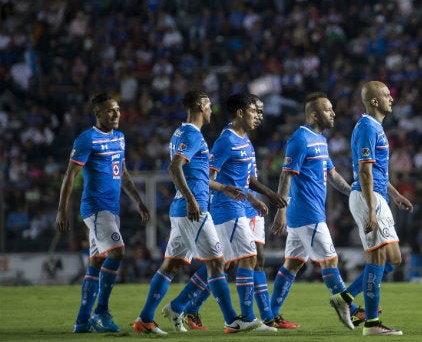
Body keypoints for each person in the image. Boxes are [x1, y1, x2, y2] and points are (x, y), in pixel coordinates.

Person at [132, 90, 265, 335]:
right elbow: (174, 168)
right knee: (218, 262)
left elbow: (199, 175)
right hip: (194, 210)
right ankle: (233, 321)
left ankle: (145, 319)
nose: (211, 110)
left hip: (181, 209)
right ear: (200, 105)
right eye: (209, 105)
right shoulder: (192, 135)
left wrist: (223, 187)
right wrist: (193, 200)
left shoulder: (182, 133)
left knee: (170, 266)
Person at [160, 93, 281, 333]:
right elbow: (209, 177)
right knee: (247, 258)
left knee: (222, 264)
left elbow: (246, 178)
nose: (259, 116)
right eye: (254, 111)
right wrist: (238, 194)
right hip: (227, 208)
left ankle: (180, 304)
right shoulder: (226, 141)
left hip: (241, 206)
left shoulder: (245, 139)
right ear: (240, 112)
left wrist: (257, 197)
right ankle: (246, 317)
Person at [56, 93, 150, 333]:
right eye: (110, 110)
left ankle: (82, 321)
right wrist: (62, 211)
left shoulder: (120, 137)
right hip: (96, 208)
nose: (116, 114)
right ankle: (101, 312)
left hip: (112, 209)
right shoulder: (86, 140)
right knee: (118, 252)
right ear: (97, 114)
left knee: (96, 262)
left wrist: (138, 201)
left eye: (117, 109)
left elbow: (123, 173)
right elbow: (70, 175)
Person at [269, 92, 359, 330]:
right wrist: (281, 210)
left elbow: (333, 175)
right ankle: (352, 308)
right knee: (330, 260)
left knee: (293, 264)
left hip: (310, 213)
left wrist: (353, 193)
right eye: (328, 110)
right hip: (306, 213)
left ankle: (272, 315)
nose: (334, 113)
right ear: (314, 114)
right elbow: (286, 175)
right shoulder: (299, 139)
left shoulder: (320, 140)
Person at [348, 81, 414, 336]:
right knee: (377, 257)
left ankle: (346, 298)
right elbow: (364, 172)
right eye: (387, 95)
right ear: (374, 101)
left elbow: (376, 172)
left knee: (394, 258)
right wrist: (372, 209)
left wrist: (395, 195)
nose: (392, 99)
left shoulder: (375, 126)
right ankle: (372, 324)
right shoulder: (366, 127)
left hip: (376, 195)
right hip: (367, 197)